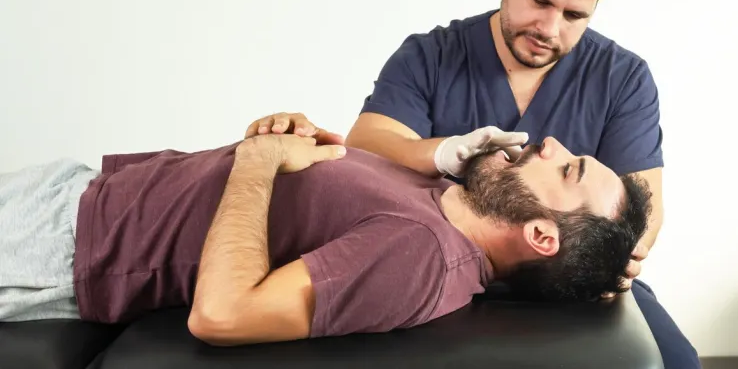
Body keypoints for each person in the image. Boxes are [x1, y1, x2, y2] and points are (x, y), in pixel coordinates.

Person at [248, 0, 699, 367]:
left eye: (574, 16)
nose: (549, 28)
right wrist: (444, 153)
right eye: (540, 1)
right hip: (430, 269)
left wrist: (616, 259)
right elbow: (366, 145)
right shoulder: (431, 56)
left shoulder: (621, 78)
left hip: (564, 286)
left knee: (676, 361)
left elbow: (643, 207)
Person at [0, 120, 650, 347]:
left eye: (568, 169)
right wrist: (291, 138)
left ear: (541, 236)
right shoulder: (442, 199)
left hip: (67, 245)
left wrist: (255, 166)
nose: (551, 144)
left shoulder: (423, 259)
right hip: (83, 189)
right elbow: (318, 198)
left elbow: (222, 315)